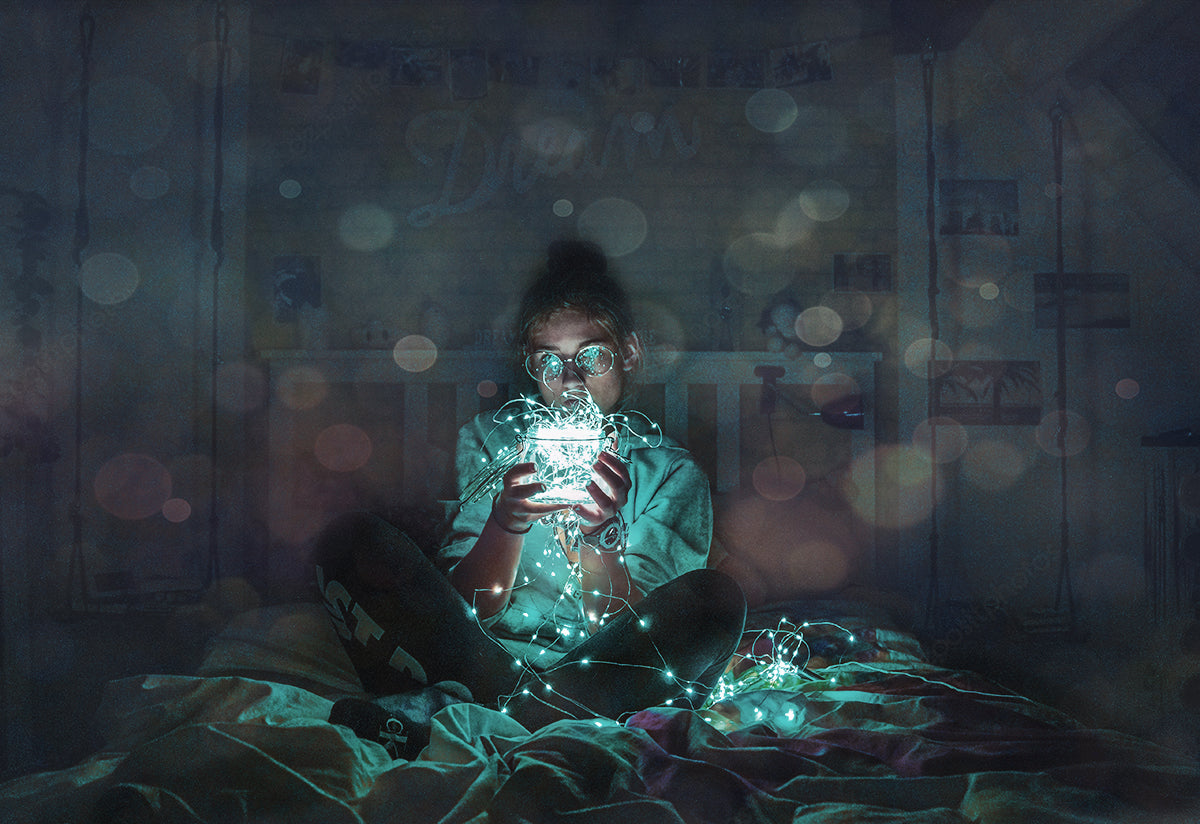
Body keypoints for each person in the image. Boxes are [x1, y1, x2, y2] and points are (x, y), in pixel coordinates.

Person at [313, 240, 746, 755]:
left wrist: (600, 539)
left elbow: (631, 630)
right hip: (482, 654)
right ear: (530, 365)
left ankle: (477, 713)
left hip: (600, 668)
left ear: (629, 353)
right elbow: (473, 608)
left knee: (715, 600)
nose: (570, 381)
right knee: (348, 541)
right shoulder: (491, 442)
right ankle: (525, 713)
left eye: (593, 357)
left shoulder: (670, 471)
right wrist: (506, 523)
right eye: (550, 362)